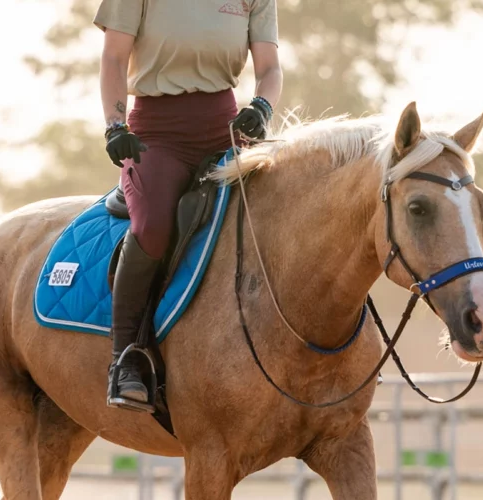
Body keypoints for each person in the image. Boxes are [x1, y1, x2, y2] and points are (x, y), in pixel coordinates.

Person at [94, 0, 282, 408]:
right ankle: (125, 358)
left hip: (226, 127)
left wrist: (262, 107)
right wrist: (114, 125)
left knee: (278, 211)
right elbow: (113, 58)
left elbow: (269, 68)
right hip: (157, 134)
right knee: (154, 227)